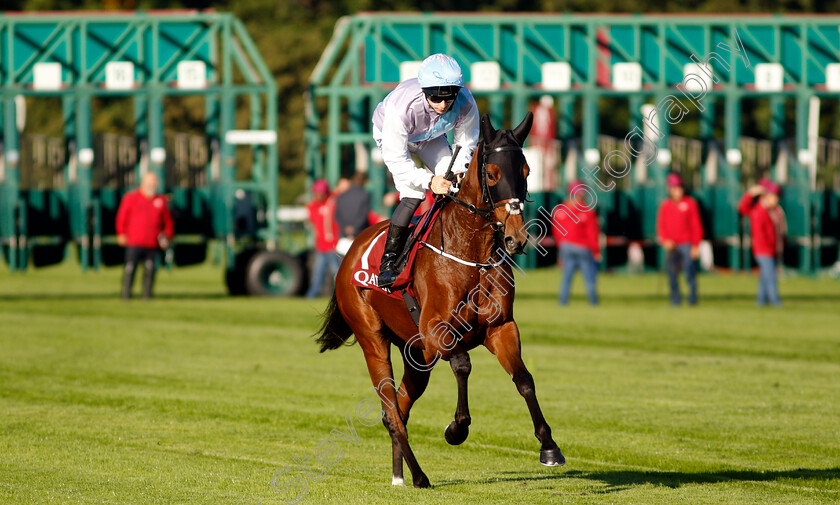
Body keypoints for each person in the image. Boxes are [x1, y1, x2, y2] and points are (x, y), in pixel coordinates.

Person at [371, 53, 479, 287]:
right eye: (435, 98)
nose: (442, 105)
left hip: (430, 137)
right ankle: (388, 263)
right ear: (423, 91)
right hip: (393, 138)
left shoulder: (466, 101)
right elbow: (397, 159)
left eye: (448, 99)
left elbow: (466, 144)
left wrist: (458, 171)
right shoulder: (401, 109)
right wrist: (430, 181)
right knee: (413, 194)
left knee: (456, 185)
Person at [116, 171, 174, 299]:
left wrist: (167, 236)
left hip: (152, 242)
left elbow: (168, 222)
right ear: (143, 183)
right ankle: (126, 295)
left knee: (150, 269)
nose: (153, 185)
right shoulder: (131, 198)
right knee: (130, 268)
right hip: (134, 241)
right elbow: (121, 218)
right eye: (150, 182)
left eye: (154, 182)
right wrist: (121, 234)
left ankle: (147, 295)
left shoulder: (160, 200)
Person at [656, 173, 704, 306]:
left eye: (680, 188)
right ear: (670, 190)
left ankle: (693, 298)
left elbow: (696, 226)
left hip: (687, 244)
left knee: (690, 272)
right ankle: (675, 299)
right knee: (672, 274)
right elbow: (661, 226)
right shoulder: (665, 206)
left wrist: (696, 245)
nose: (678, 191)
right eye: (675, 188)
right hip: (672, 245)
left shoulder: (690, 203)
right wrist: (665, 240)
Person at [553, 181, 601, 306]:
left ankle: (562, 302)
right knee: (589, 277)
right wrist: (596, 251)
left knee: (566, 277)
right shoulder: (587, 211)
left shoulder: (560, 210)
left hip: (566, 247)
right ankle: (593, 302)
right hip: (583, 247)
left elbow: (557, 232)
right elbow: (592, 233)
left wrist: (561, 248)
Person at [738, 179, 785, 306]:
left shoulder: (775, 211)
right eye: (773, 196)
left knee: (765, 277)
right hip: (763, 250)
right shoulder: (759, 210)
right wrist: (751, 193)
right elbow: (742, 208)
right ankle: (775, 301)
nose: (775, 199)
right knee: (770, 276)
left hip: (773, 249)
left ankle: (761, 301)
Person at [305, 179, 340, 299]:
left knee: (337, 272)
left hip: (333, 246)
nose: (318, 195)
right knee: (317, 274)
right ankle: (311, 296)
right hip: (321, 246)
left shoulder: (333, 202)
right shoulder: (313, 206)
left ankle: (342, 295)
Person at [335, 172, 372, 241]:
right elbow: (364, 215)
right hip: (360, 233)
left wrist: (345, 228)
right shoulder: (365, 195)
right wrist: (354, 228)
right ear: (364, 182)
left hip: (344, 234)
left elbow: (337, 215)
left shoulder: (342, 196)